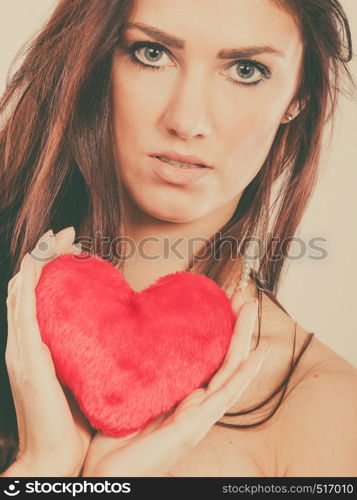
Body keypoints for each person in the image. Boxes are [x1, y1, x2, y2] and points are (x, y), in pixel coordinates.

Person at [0, 0, 356, 477]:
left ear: (298, 96)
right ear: (92, 60)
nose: (187, 122)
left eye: (247, 70)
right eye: (151, 53)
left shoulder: (328, 410)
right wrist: (42, 468)